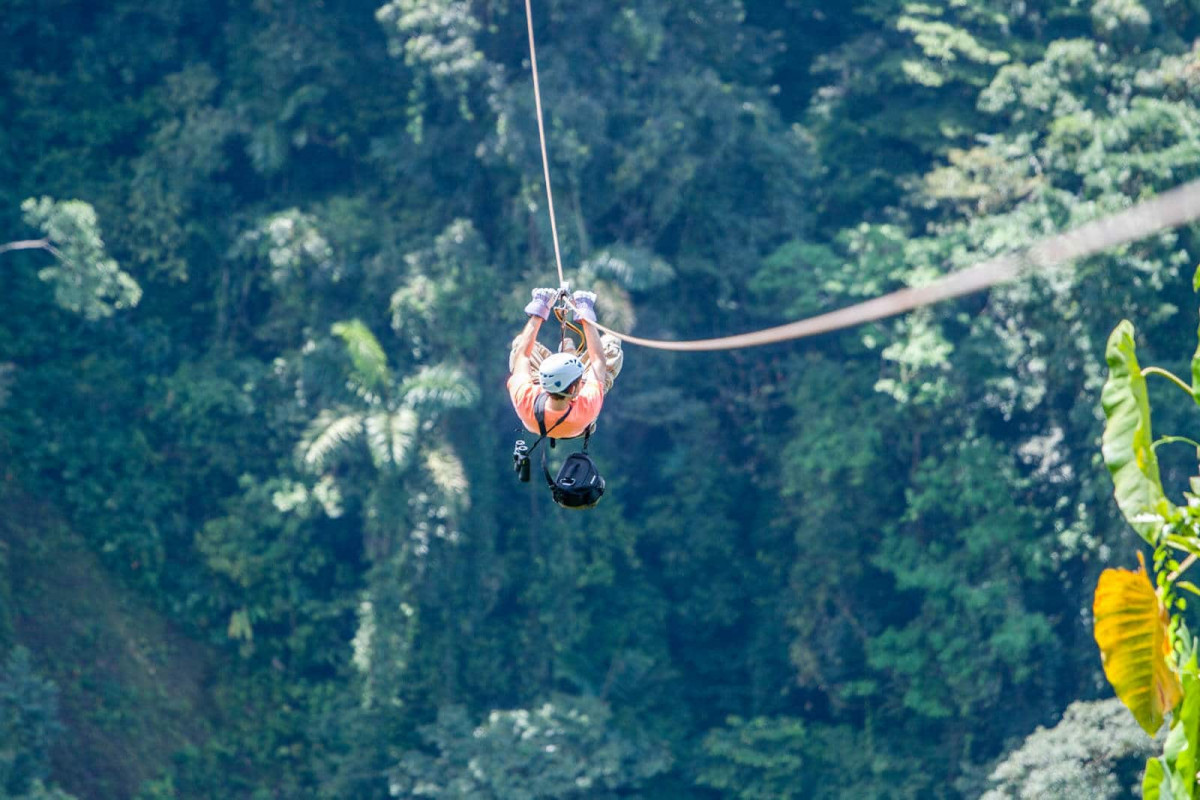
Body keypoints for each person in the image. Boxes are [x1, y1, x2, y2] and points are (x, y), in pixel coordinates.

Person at [508, 288, 623, 441]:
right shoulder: (586, 405)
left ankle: (569, 353)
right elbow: (598, 361)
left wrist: (540, 308)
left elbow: (522, 354)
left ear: (542, 383)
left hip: (543, 413)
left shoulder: (526, 398)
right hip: (578, 423)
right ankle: (569, 352)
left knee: (519, 344)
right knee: (612, 344)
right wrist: (585, 314)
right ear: (576, 389)